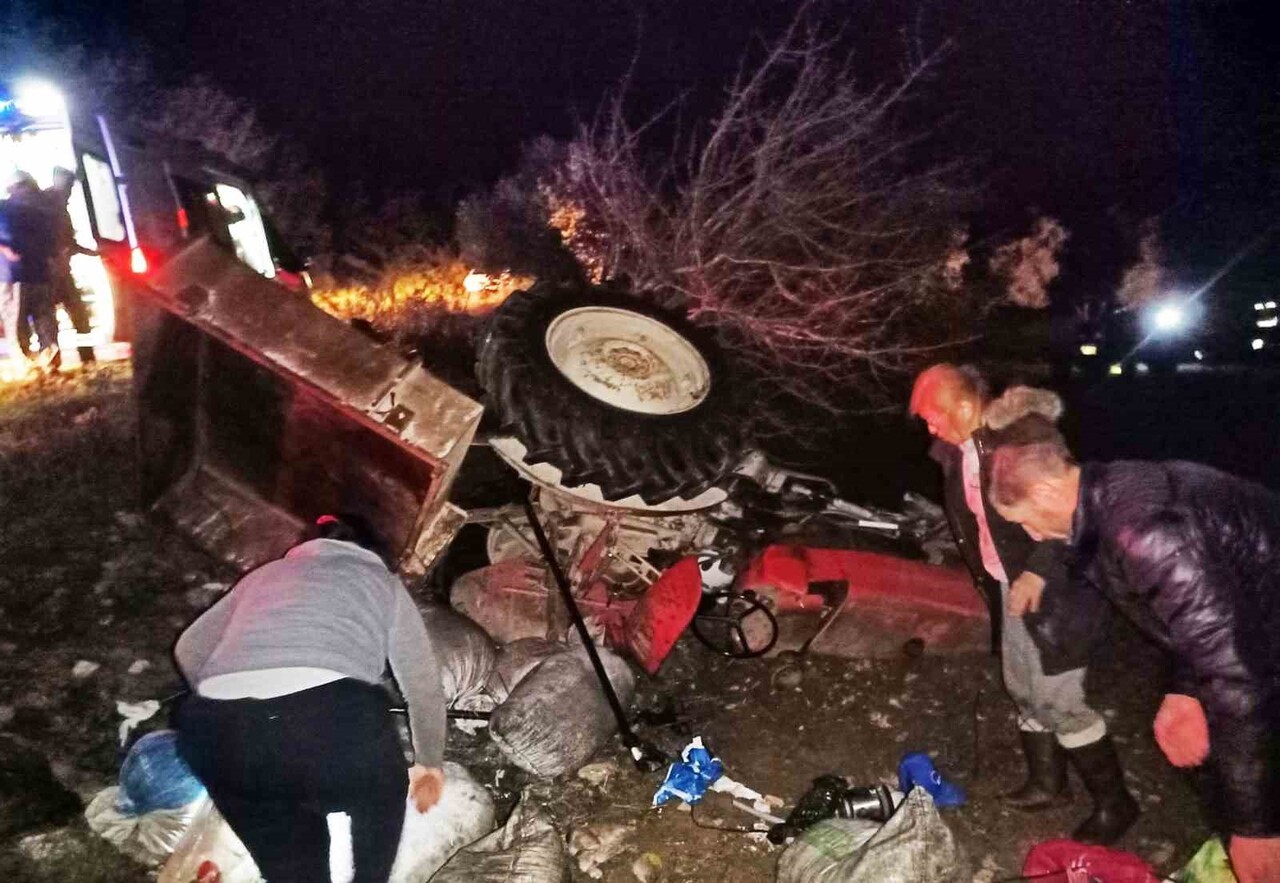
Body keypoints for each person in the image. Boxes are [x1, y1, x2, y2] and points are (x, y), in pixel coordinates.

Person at [989, 442, 1280, 883]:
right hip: (1257, 626)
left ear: (1047, 491)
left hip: (1264, 643)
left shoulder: (1145, 534)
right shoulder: (1106, 493)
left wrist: (1256, 825)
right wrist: (1185, 689)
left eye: (1024, 519)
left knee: (1251, 812)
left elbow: (1233, 668)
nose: (1029, 534)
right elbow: (1205, 615)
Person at [909, 364, 1135, 843]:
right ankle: (1046, 783)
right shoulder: (956, 451)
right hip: (1008, 584)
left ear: (967, 404)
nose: (929, 427)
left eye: (934, 416)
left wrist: (1038, 570)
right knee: (1022, 685)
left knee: (1060, 699)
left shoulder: (1026, 436)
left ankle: (1118, 805)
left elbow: (1070, 508)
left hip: (1058, 587)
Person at [173, 514, 446, 882]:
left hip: (214, 734)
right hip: (328, 723)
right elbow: (423, 685)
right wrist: (430, 764)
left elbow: (189, 649)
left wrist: (231, 710)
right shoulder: (383, 582)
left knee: (292, 865)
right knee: (380, 797)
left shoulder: (264, 575)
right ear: (372, 553)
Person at [0, 172, 60, 375]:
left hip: (11, 274)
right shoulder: (42, 211)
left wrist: (6, 250)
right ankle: (50, 361)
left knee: (15, 320)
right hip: (39, 273)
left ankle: (26, 367)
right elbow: (53, 244)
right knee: (44, 317)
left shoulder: (3, 207)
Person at [43, 167, 96, 367]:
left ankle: (86, 358)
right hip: (51, 272)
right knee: (54, 318)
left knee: (77, 314)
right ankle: (55, 363)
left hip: (60, 270)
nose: (71, 192)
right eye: (69, 186)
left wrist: (90, 252)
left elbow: (68, 243)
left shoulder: (57, 205)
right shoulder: (50, 206)